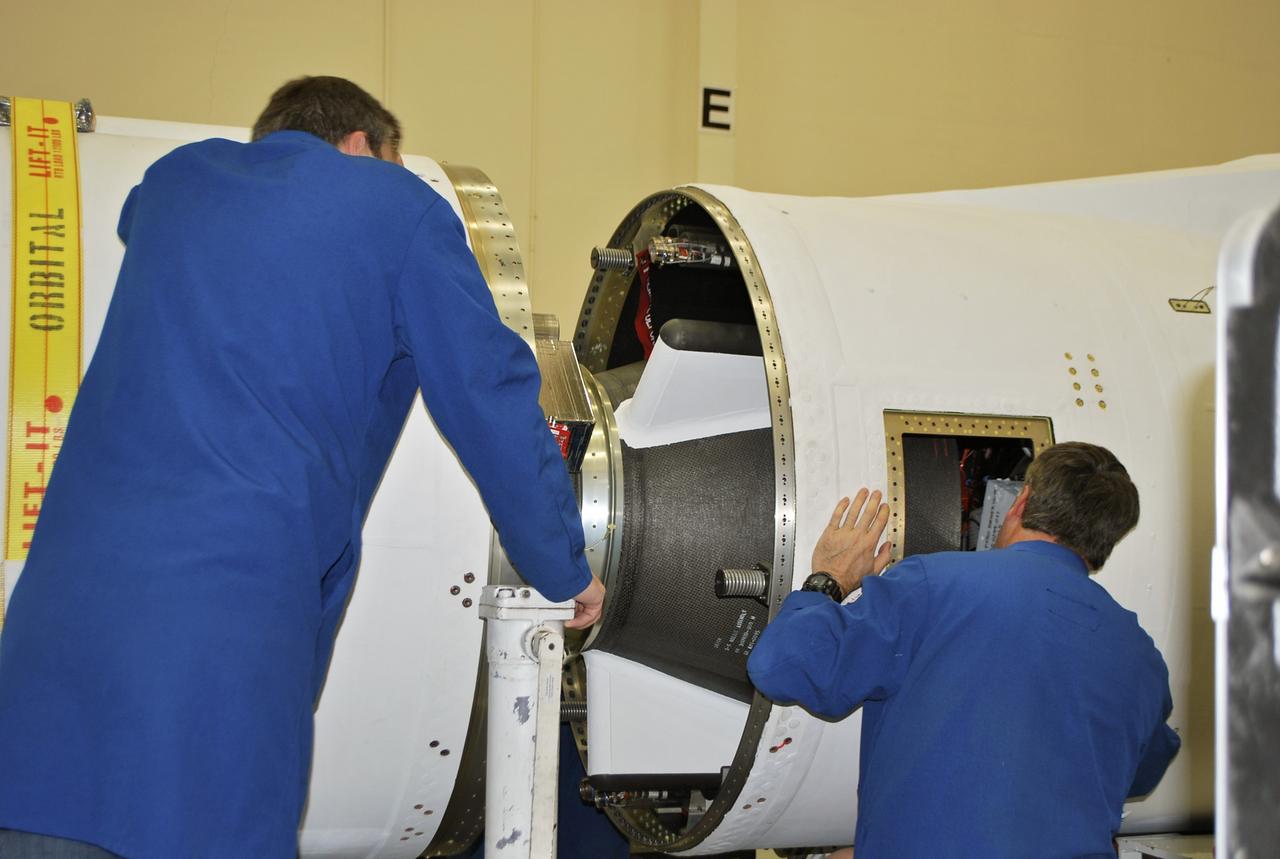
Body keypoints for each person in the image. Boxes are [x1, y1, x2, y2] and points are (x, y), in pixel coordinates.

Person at [0, 76, 605, 858]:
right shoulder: (397, 211)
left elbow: (143, 211)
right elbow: (490, 394)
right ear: (362, 149)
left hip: (46, 646)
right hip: (214, 655)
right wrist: (564, 566)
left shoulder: (176, 183)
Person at [748, 442, 1180, 859]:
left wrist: (832, 578)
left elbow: (782, 665)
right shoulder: (1141, 657)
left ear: (1020, 501)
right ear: (1105, 543)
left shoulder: (933, 586)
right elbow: (1141, 771)